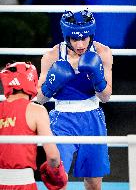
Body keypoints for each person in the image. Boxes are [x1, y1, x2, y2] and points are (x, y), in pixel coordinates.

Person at [37, 10, 113, 190]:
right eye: (74, 39)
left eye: (84, 39)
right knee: (58, 179)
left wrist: (97, 78)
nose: (79, 44)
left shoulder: (103, 53)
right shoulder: (52, 56)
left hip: (92, 118)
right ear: (66, 37)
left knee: (94, 183)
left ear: (91, 35)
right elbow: (39, 99)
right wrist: (51, 84)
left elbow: (106, 97)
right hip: (62, 119)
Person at [0, 61, 67, 190]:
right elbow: (53, 156)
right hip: (23, 184)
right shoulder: (36, 111)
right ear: (32, 81)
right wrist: (58, 174)